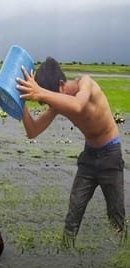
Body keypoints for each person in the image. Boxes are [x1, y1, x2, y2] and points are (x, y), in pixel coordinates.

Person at [16, 57, 126, 247]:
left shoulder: (86, 83)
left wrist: (41, 93)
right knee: (73, 213)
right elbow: (32, 131)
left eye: (50, 97)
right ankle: (67, 250)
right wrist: (21, 103)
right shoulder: (58, 103)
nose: (52, 105)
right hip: (89, 158)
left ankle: (123, 251)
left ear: (61, 84)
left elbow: (77, 105)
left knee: (116, 215)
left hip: (110, 156)